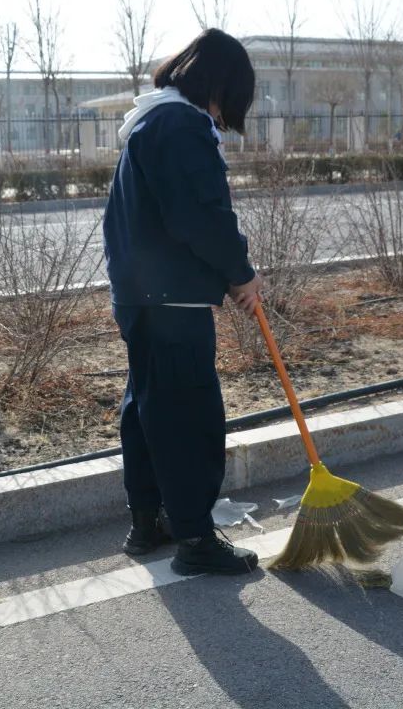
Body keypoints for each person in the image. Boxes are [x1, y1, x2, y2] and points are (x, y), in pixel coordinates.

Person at [102, 29, 262, 576]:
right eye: (232, 98)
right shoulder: (181, 125)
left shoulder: (149, 120)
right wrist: (241, 274)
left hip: (142, 295)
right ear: (218, 85)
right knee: (189, 415)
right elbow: (201, 215)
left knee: (148, 409)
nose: (226, 114)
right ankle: (195, 536)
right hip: (173, 299)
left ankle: (148, 522)